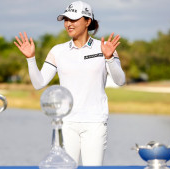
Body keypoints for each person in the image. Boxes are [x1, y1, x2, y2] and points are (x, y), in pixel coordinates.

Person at [14, 1, 125, 166]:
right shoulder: (57, 51)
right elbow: (39, 83)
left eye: (73, 19)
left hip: (95, 121)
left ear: (88, 21)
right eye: (66, 20)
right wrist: (30, 59)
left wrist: (109, 58)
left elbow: (120, 80)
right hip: (66, 123)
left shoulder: (104, 48)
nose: (68, 24)